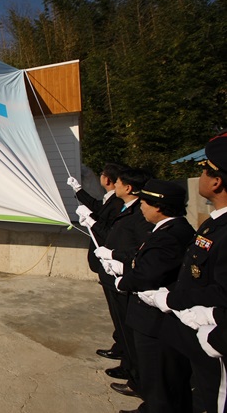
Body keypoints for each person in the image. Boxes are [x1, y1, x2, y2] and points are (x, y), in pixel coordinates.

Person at [140, 132, 227, 413]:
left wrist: (175, 301)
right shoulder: (214, 224)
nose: (201, 175)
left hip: (213, 341)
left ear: (216, 181)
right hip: (193, 332)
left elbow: (221, 290)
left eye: (205, 169)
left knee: (211, 400)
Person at [114, 179, 195, 413]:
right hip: (152, 319)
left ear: (158, 207)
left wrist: (123, 280)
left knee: (160, 380)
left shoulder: (170, 234)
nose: (141, 207)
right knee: (156, 379)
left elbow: (147, 274)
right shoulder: (169, 229)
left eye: (145, 203)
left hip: (157, 322)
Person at [91, 168, 153, 398]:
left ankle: (135, 377)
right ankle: (127, 364)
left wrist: (117, 258)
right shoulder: (126, 207)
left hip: (123, 277)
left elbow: (141, 248)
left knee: (129, 330)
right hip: (112, 276)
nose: (113, 185)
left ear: (128, 188)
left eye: (117, 182)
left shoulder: (139, 213)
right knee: (122, 326)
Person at [68, 163, 126, 360]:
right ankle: (121, 345)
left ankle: (124, 349)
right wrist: (78, 190)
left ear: (107, 179)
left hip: (111, 264)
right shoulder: (111, 200)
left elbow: (107, 229)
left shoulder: (118, 204)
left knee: (119, 311)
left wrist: (92, 221)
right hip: (105, 264)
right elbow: (97, 207)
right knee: (115, 310)